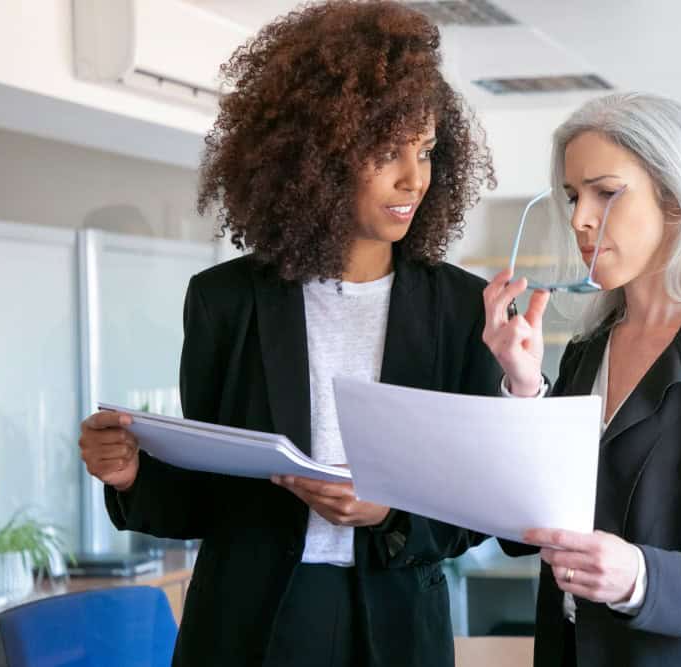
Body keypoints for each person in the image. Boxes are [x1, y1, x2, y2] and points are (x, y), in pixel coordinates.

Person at [77, 3, 498, 665]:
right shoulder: (225, 302)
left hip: (395, 622)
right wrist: (132, 477)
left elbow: (482, 500)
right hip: (252, 625)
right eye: (386, 152)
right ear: (320, 155)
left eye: (425, 151)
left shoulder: (461, 307)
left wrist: (388, 513)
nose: (414, 178)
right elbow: (209, 495)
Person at [483, 93, 681, 666]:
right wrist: (526, 389)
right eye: (574, 196)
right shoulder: (585, 353)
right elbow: (521, 533)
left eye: (606, 193)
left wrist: (639, 577)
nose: (579, 217)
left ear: (675, 203)